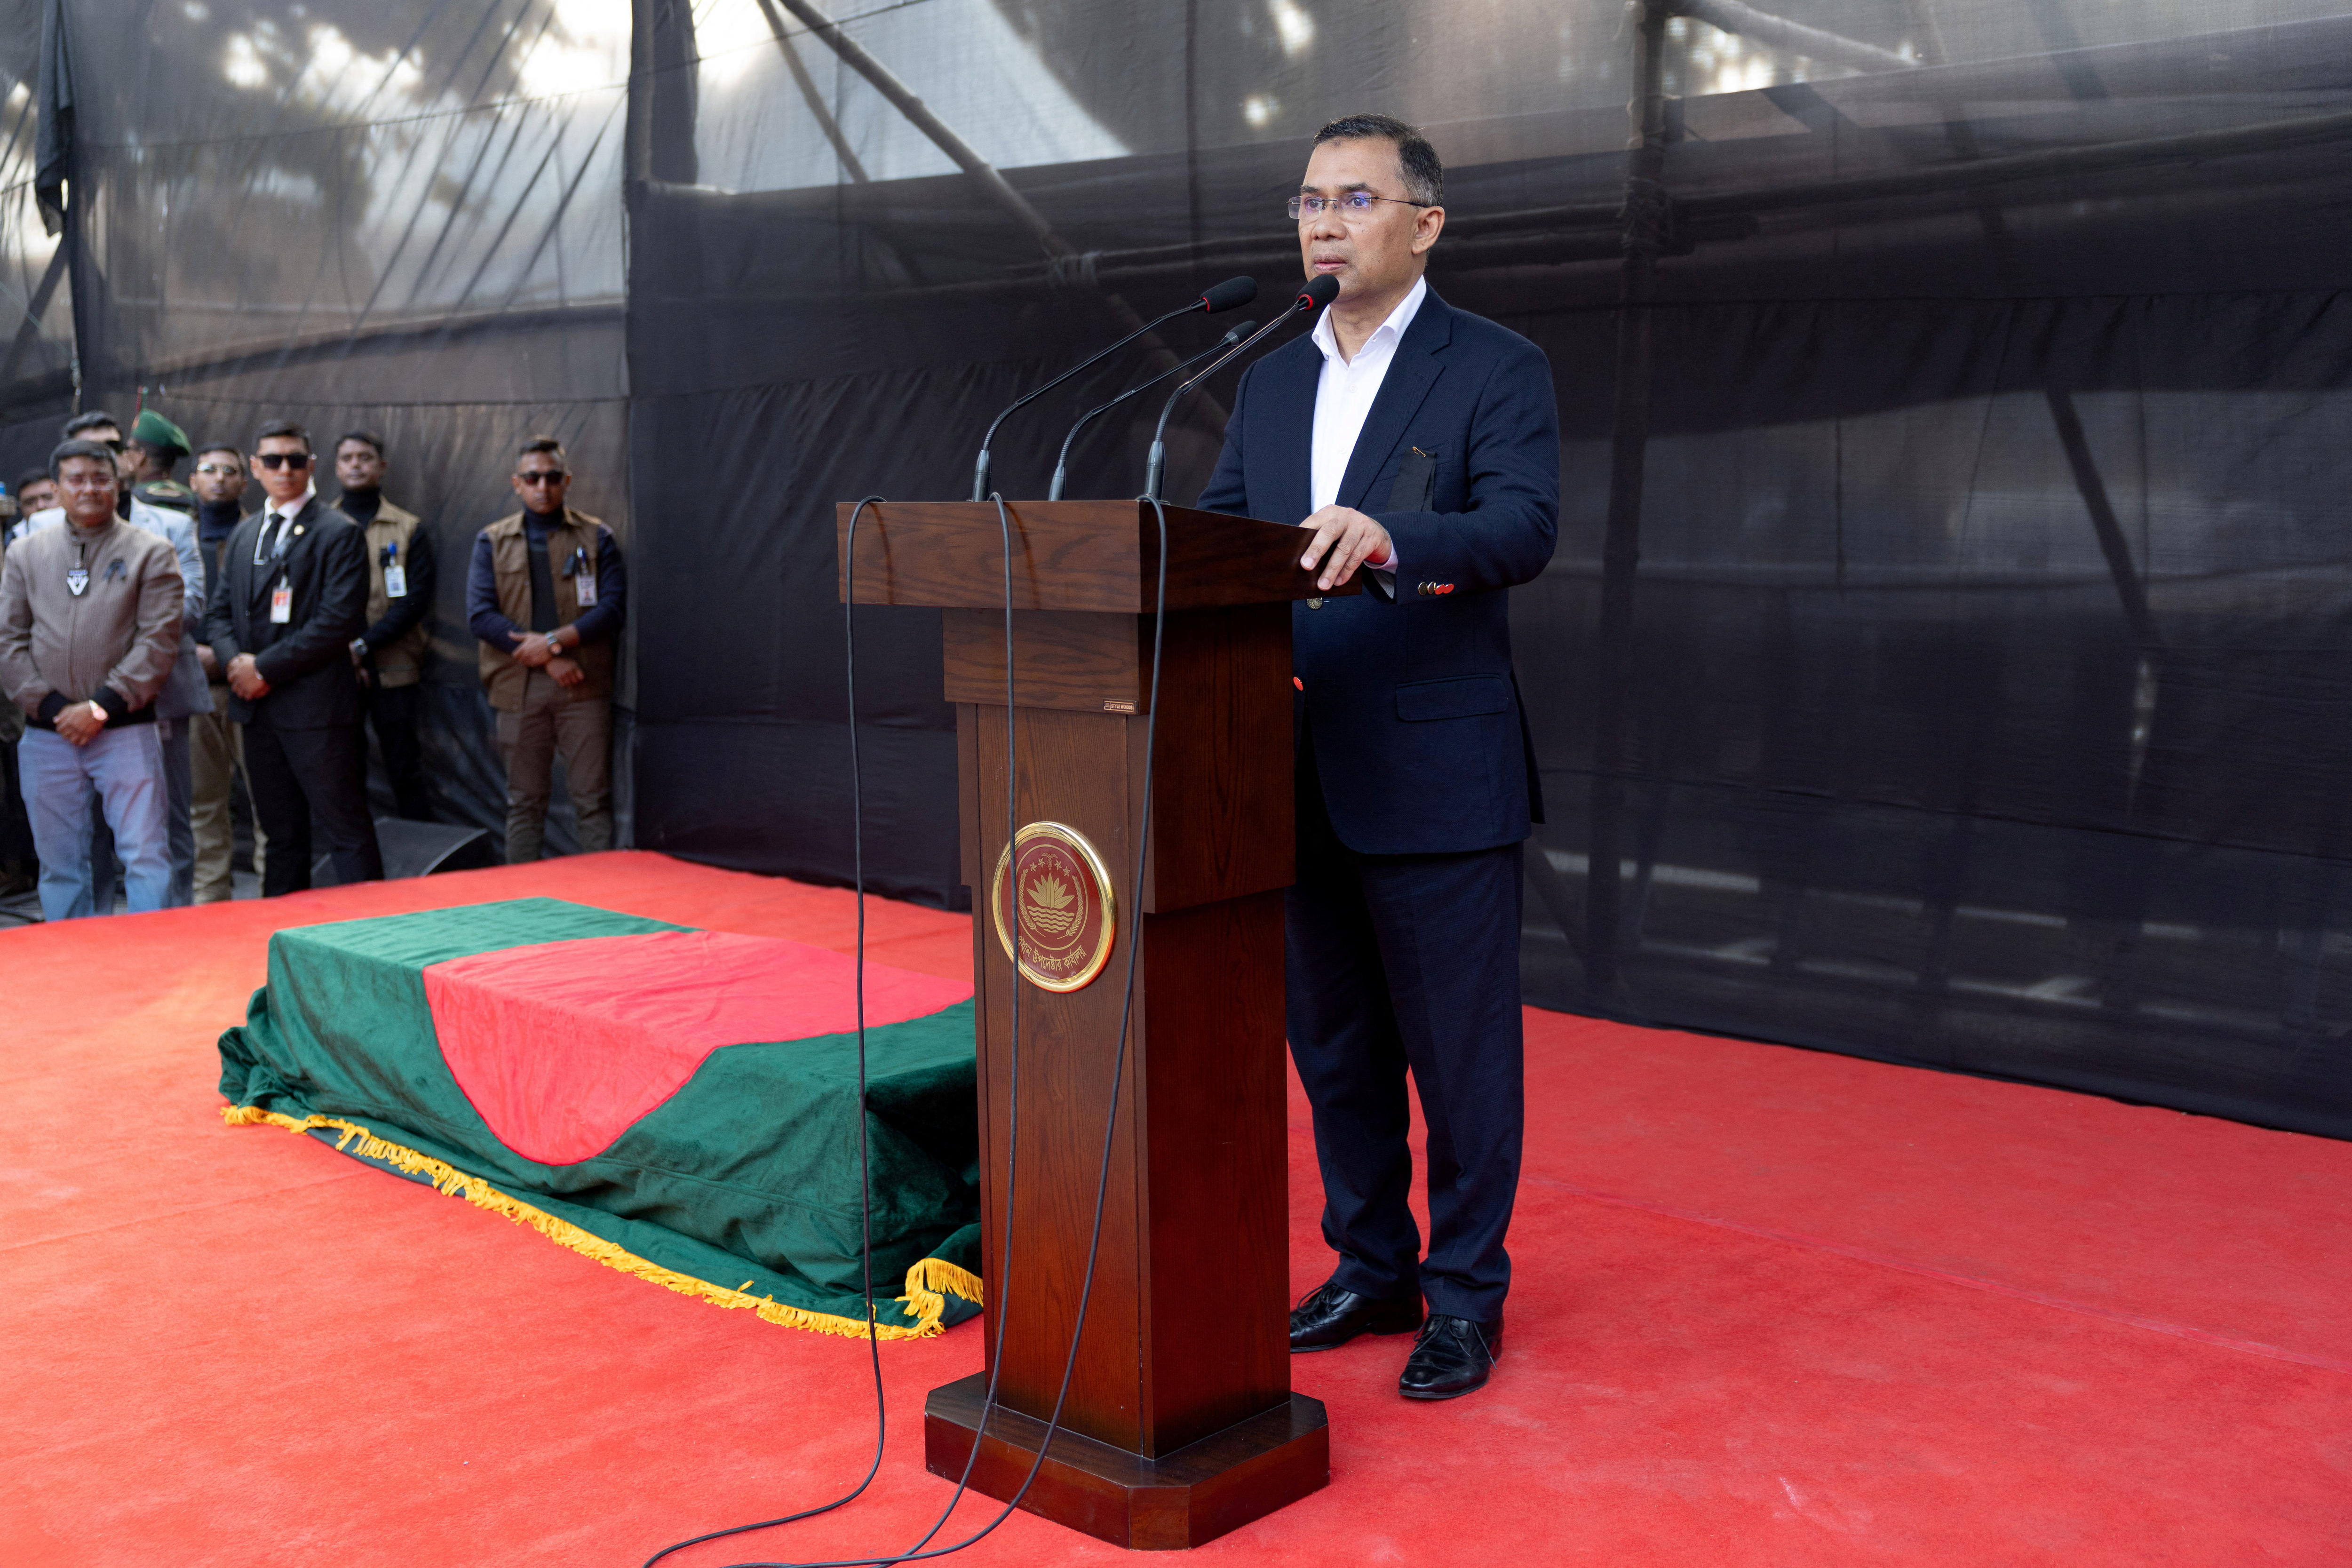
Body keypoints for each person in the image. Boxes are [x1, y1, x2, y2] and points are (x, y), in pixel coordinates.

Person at [1197, 114, 1560, 1401]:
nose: (1325, 221)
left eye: (1356, 199)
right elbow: (1233, 536)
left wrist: (1394, 537)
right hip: (1289, 759)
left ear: (1426, 223)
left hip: (1434, 765)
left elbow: (1521, 525)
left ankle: (1465, 1294)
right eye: (1308, 200)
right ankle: (1373, 1261)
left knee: (1458, 1056)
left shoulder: (1495, 365)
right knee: (1337, 1046)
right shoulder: (1272, 376)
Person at [17, 411, 213, 908]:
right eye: (76, 480)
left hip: (127, 728)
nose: (89, 489)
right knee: (62, 866)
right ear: (57, 488)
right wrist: (53, 707)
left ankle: (155, 969)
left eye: (100, 478)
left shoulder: (152, 549)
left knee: (146, 856)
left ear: (119, 482)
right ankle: (75, 967)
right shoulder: (25, 551)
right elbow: (8, 639)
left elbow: (159, 640)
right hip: (48, 731)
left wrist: (101, 706)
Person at [204, 420, 382, 895]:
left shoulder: (338, 532)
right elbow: (218, 614)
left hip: (317, 710)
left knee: (345, 828)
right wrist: (235, 665)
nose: (286, 469)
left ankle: (376, 942)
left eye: (296, 460)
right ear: (256, 468)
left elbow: (336, 622)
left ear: (312, 466)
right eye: (274, 461)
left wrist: (262, 668)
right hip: (257, 711)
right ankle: (284, 944)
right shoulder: (245, 535)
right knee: (280, 837)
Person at [467, 436, 625, 863]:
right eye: (533, 478)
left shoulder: (596, 536)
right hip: (519, 690)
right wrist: (549, 658)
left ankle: (608, 898)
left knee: (593, 800)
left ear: (567, 480)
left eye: (552, 477)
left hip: (583, 686)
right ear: (517, 483)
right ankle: (525, 905)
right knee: (524, 803)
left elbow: (611, 608)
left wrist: (556, 641)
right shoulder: (492, 541)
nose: (543, 486)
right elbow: (480, 615)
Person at [334, 430, 436, 820]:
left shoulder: (409, 528)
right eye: (348, 458)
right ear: (337, 466)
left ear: (382, 466)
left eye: (365, 457)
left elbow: (415, 600)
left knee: (404, 765)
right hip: (336, 668)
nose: (356, 464)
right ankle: (356, 864)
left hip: (394, 666)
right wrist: (342, 649)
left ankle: (419, 859)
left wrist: (362, 645)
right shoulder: (322, 525)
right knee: (344, 767)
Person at [187, 443, 262, 900]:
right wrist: (188, 653)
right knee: (203, 806)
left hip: (253, 686)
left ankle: (272, 907)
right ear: (193, 481)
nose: (219, 478)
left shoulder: (262, 532)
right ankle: (208, 905)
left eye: (229, 471)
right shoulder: (175, 536)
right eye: (208, 470)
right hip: (194, 689)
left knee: (267, 805)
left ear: (244, 481)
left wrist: (228, 654)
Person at [124, 409, 198, 514]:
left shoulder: (132, 501)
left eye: (129, 448)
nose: (126, 454)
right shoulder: (192, 499)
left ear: (141, 455)